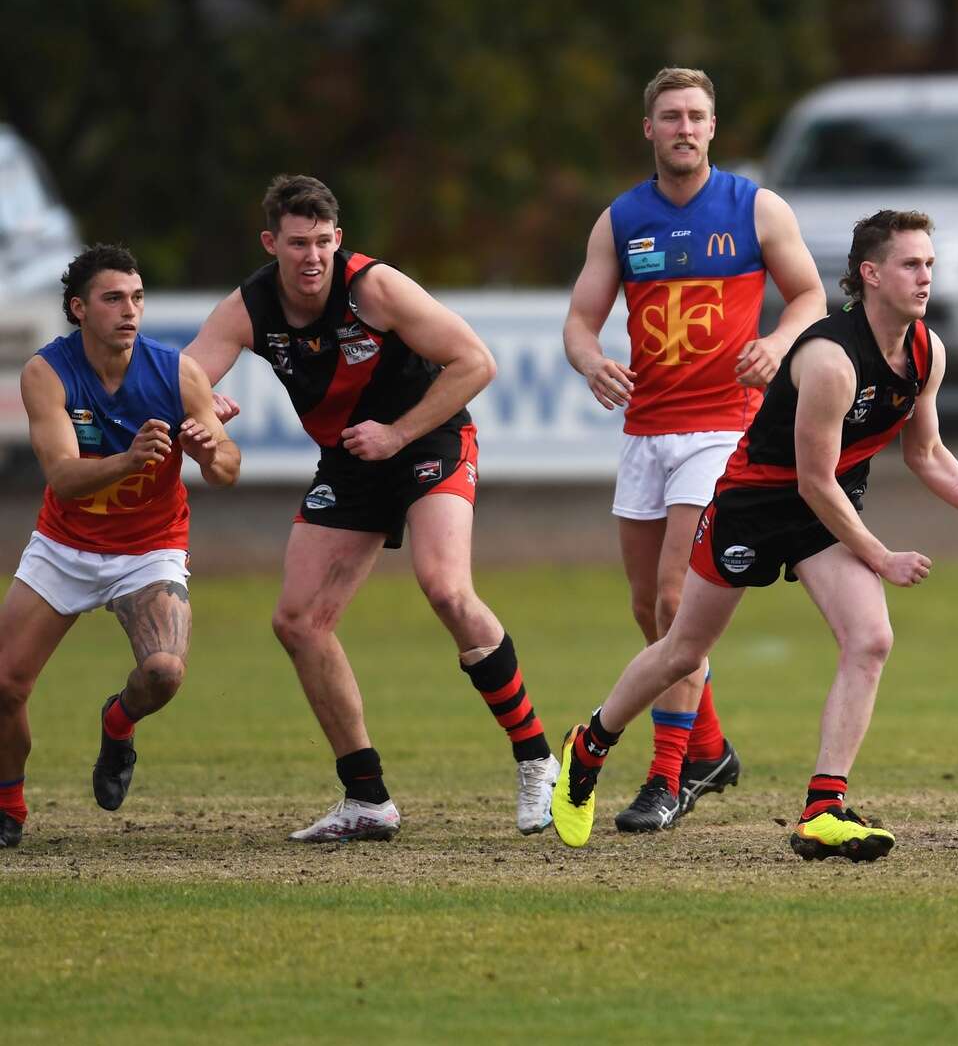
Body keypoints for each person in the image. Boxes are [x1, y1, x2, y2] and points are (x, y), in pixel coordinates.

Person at [550, 209, 958, 862]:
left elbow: (925, 454)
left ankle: (823, 809)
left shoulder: (927, 351)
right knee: (681, 649)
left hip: (823, 512)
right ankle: (588, 748)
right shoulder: (831, 359)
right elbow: (812, 482)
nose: (926, 277)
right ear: (870, 275)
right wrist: (881, 556)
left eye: (930, 263)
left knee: (870, 639)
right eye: (910, 264)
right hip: (756, 506)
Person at [184, 175, 558, 841]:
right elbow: (185, 376)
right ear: (272, 243)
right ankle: (367, 798)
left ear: (339, 239)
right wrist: (202, 404)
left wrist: (399, 433)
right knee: (298, 621)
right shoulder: (250, 305)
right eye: (297, 244)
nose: (312, 258)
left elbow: (476, 362)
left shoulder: (374, 289)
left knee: (445, 586)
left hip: (428, 437)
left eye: (323, 242)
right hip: (352, 461)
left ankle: (535, 757)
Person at [562, 67, 826, 832]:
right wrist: (591, 361)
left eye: (697, 116)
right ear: (649, 128)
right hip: (646, 429)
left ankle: (666, 777)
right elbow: (581, 321)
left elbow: (809, 294)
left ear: (714, 128)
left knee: (678, 600)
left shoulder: (754, 207)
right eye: (671, 116)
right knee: (651, 614)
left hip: (724, 429)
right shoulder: (622, 220)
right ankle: (708, 748)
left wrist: (778, 340)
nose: (684, 127)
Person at [0, 245, 239, 848]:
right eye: (112, 299)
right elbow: (60, 476)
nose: (128, 311)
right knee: (4, 687)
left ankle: (118, 722)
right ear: (79, 309)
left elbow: (229, 467)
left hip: (149, 546)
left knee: (162, 673)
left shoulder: (178, 373)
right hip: (64, 546)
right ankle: (8, 805)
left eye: (136, 298)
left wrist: (212, 452)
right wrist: (129, 458)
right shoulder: (46, 373)